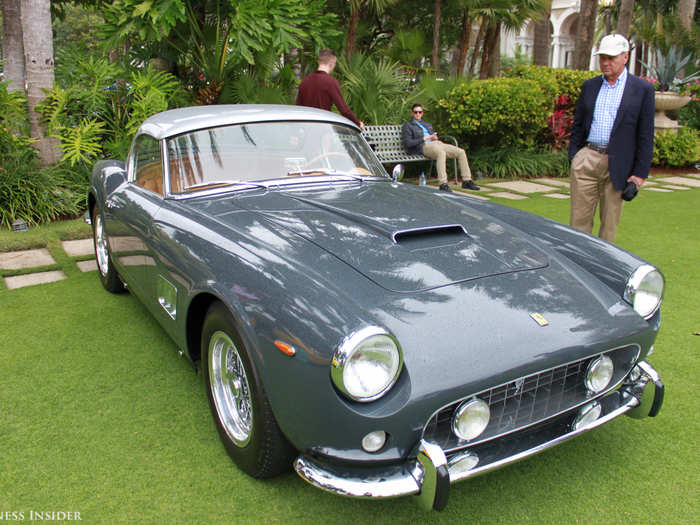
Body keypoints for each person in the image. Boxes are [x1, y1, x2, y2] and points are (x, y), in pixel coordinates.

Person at [568, 34, 655, 243]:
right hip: (587, 159)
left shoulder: (642, 90)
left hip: (619, 164)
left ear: (625, 57)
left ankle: (601, 271)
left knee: (609, 226)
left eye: (611, 58)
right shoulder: (590, 86)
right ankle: (578, 267)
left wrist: (639, 175)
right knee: (578, 224)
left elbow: (645, 135)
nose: (605, 62)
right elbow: (578, 125)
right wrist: (575, 157)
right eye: (603, 57)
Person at [401, 104, 480, 192]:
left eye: (420, 112)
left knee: (461, 152)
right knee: (441, 153)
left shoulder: (427, 124)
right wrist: (424, 138)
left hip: (437, 143)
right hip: (423, 146)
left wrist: (434, 137)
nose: (418, 114)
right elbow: (408, 143)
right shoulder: (408, 126)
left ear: (422, 113)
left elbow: (434, 137)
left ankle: (467, 181)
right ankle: (443, 183)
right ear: (412, 113)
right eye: (416, 112)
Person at [296, 49, 364, 129]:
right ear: (331, 63)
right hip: (323, 129)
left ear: (319, 62)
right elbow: (344, 110)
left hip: (306, 129)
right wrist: (358, 123)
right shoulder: (331, 82)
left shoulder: (305, 81)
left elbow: (298, 109)